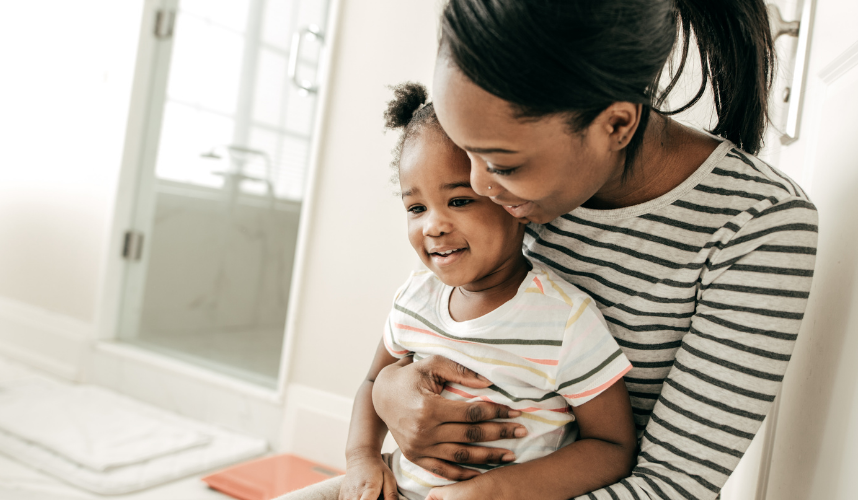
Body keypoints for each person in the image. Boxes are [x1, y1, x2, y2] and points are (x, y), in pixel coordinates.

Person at [280, 0, 817, 498]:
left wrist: (486, 494)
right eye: (466, 152)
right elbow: (441, 332)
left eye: (502, 165)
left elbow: (670, 486)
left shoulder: (759, 225)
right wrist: (387, 395)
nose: (479, 187)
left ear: (616, 124)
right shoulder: (511, 184)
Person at [339, 82, 638, 500]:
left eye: (459, 201)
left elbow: (613, 449)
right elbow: (373, 381)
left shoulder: (565, 318)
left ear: (517, 204)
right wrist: (362, 458)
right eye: (416, 208)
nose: (433, 226)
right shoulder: (414, 298)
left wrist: (497, 491)